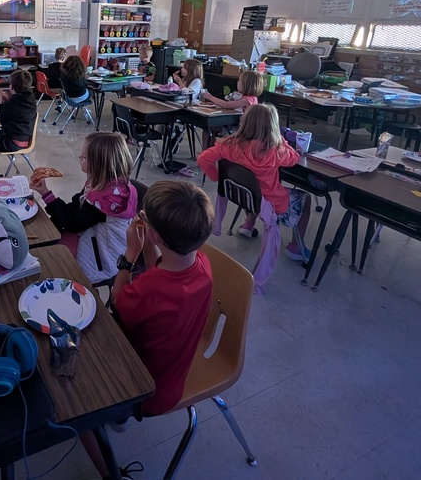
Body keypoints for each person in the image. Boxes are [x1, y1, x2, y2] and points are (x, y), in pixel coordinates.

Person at [79, 180, 214, 479]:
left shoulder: (150, 290)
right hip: (174, 370)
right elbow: (160, 272)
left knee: (79, 412)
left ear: (154, 233)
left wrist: (129, 255)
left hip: (146, 388)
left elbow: (117, 300)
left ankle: (112, 475)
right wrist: (151, 247)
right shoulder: (202, 264)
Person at [197, 103, 310, 261]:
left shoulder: (229, 144)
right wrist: (282, 140)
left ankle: (249, 224)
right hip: (271, 203)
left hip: (243, 197)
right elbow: (294, 158)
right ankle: (296, 247)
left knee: (254, 187)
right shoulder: (276, 151)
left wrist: (216, 177)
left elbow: (203, 159)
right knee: (306, 198)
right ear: (273, 127)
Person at [30, 132, 138, 283]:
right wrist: (46, 193)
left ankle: (87, 289)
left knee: (51, 258)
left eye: (84, 157)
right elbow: (76, 206)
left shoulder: (105, 199)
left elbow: (72, 223)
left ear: (99, 164)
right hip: (90, 231)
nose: (79, 158)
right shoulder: (103, 182)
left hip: (104, 254)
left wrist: (47, 195)